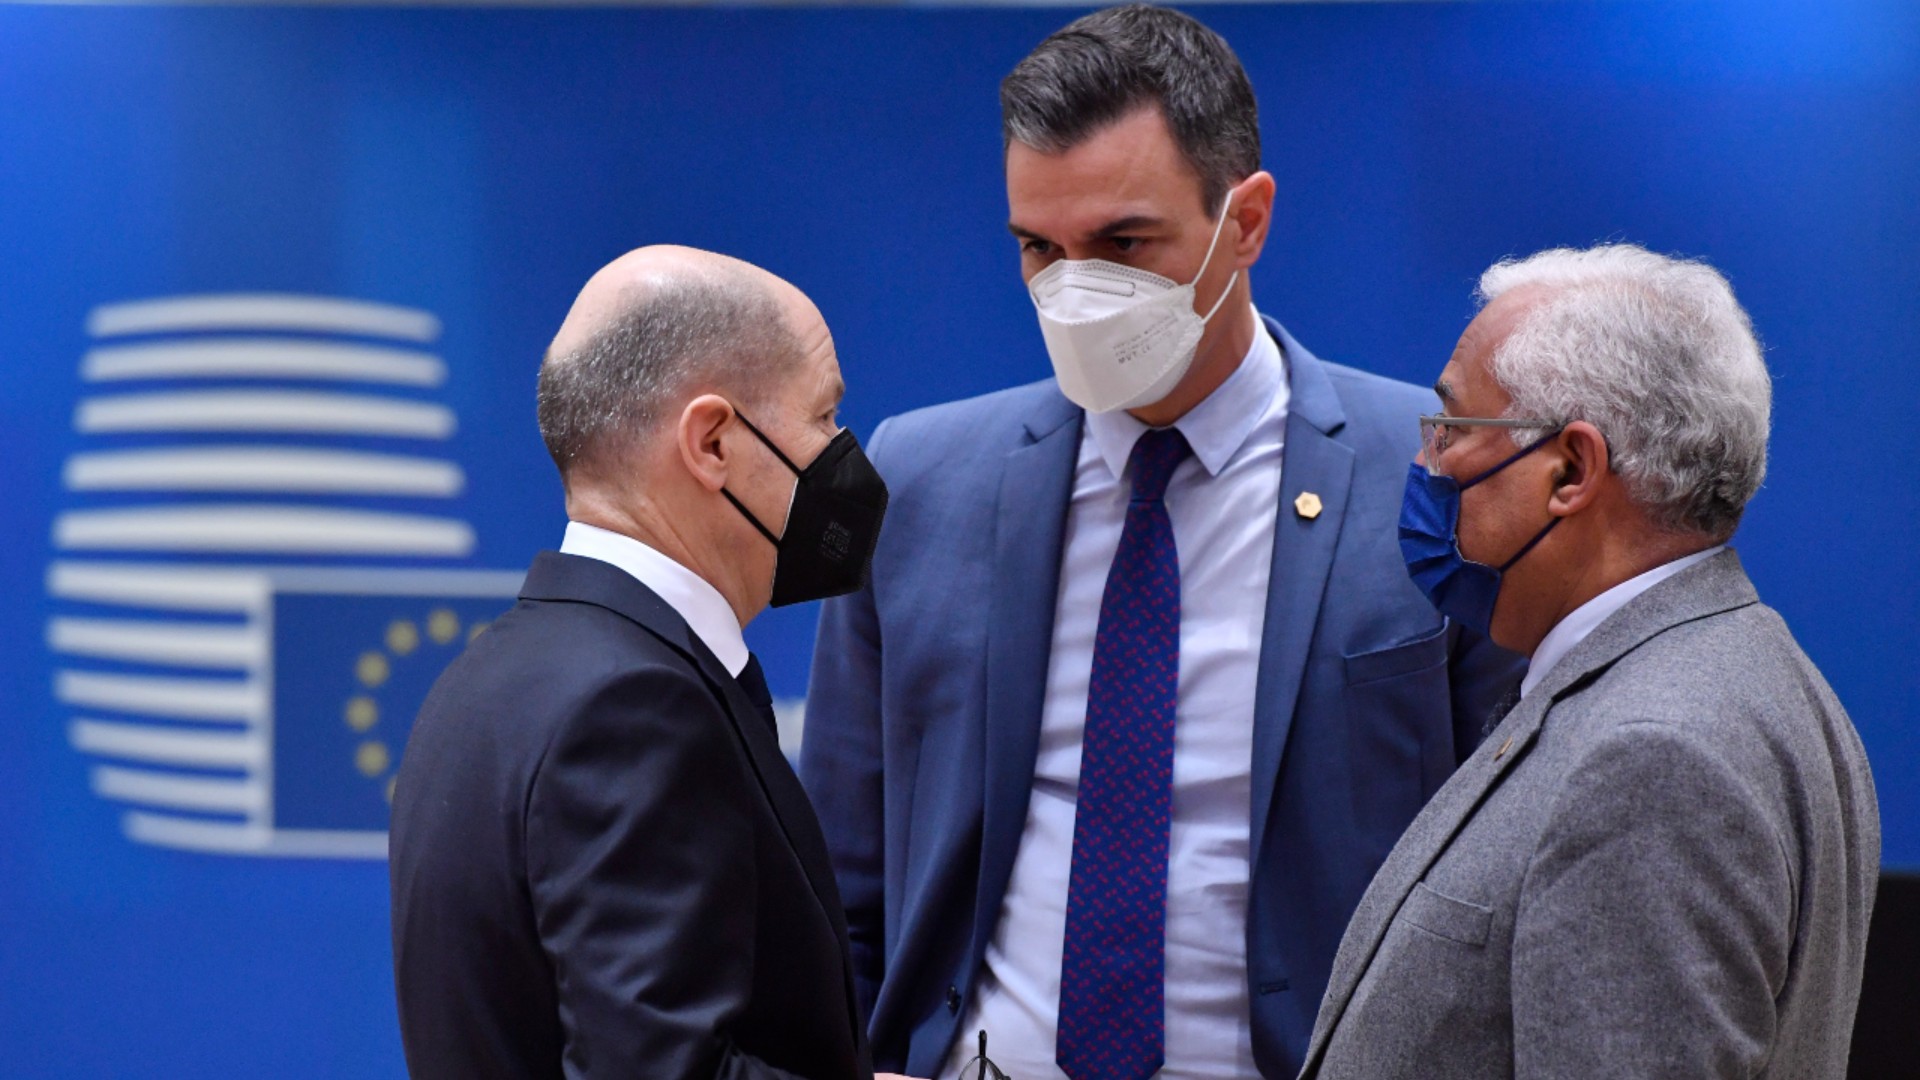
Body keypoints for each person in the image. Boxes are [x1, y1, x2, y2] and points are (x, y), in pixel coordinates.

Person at [798, 7, 1523, 1078]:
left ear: (1247, 221)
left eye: (1124, 244)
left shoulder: (1433, 474)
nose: (1074, 290)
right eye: (1039, 248)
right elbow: (836, 879)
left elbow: (1507, 876)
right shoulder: (919, 480)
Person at [1299, 244, 1881, 1078]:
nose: (1428, 462)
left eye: (1452, 428)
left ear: (1571, 469)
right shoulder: (1743, 673)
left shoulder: (1653, 756)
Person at [389, 246, 887, 1080]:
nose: (844, 450)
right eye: (824, 415)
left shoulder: (492, 675)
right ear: (713, 443)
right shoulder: (634, 707)